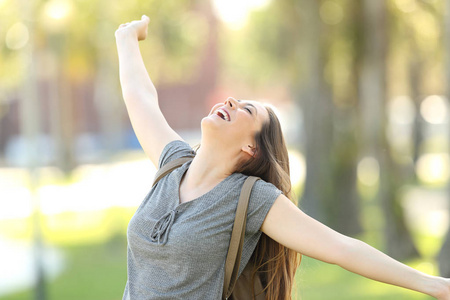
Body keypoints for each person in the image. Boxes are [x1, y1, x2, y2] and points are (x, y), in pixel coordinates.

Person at [115, 15, 450, 300]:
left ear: (251, 149)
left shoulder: (249, 198)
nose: (231, 101)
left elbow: (341, 248)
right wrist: (127, 37)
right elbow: (140, 97)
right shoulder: (173, 163)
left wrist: (435, 286)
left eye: (246, 108)